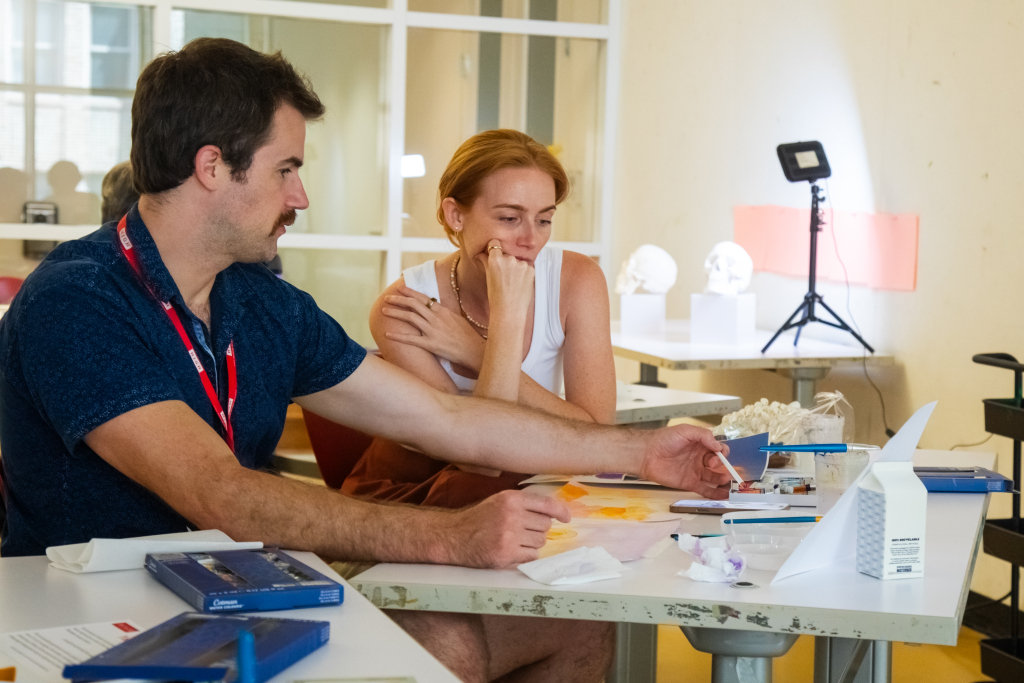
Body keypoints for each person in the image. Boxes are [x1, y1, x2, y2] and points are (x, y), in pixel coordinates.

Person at [0, 39, 731, 683]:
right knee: (445, 643)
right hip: (94, 614)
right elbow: (218, 493)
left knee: (572, 623)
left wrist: (644, 450)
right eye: (286, 169)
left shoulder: (258, 300)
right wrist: (449, 536)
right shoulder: (78, 299)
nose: (302, 195)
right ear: (212, 166)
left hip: (230, 589)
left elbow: (451, 422)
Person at [343, 130, 616, 508]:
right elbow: (480, 458)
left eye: (544, 220)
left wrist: (476, 351)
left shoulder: (578, 281)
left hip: (527, 483)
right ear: (455, 214)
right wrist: (507, 317)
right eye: (509, 218)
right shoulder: (405, 305)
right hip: (414, 493)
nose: (530, 240)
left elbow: (599, 439)